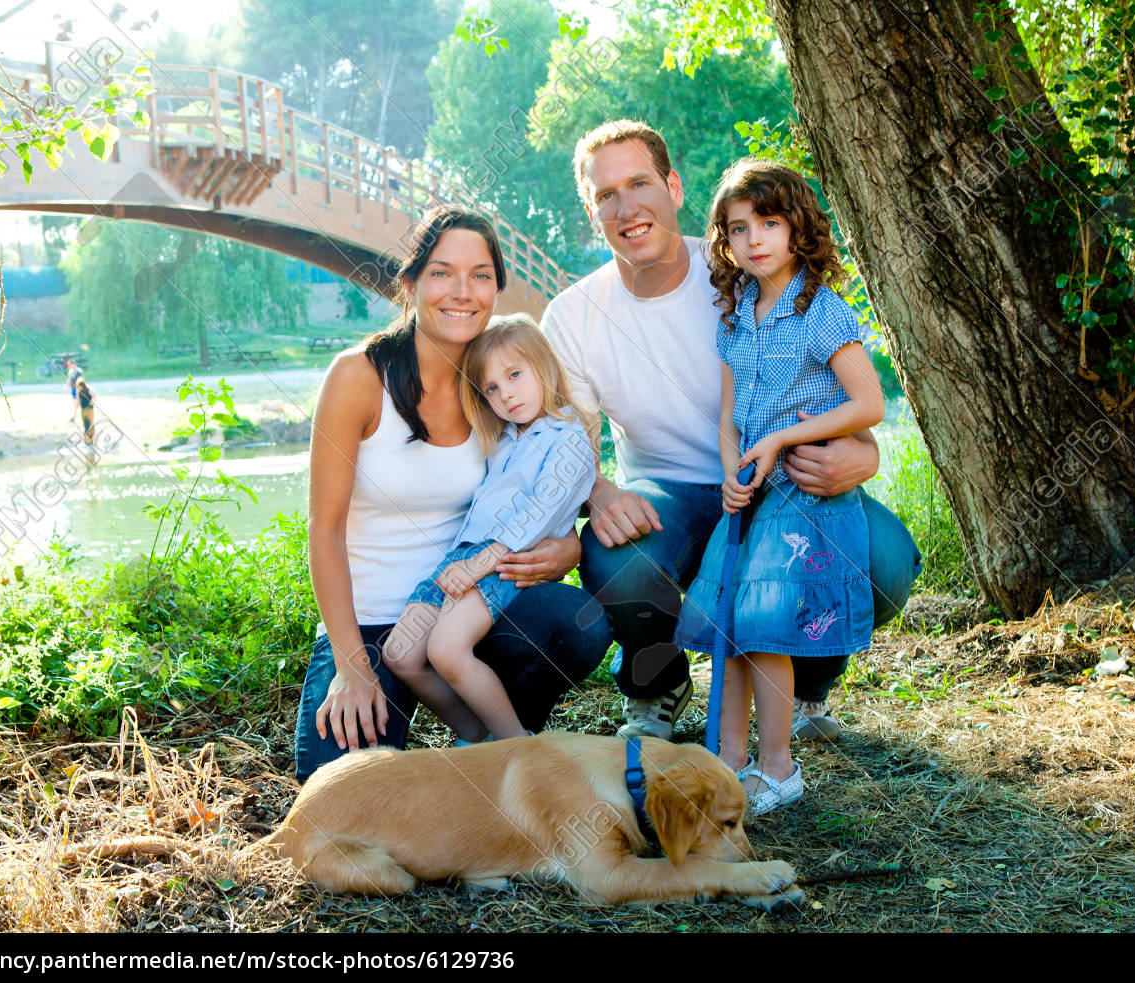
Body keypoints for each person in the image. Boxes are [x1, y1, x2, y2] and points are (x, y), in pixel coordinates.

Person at [540, 120, 921, 745]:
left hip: (781, 480)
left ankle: (808, 683)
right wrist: (600, 495)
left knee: (884, 562)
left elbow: (842, 392)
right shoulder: (573, 316)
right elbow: (568, 448)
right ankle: (656, 684)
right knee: (620, 561)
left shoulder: (744, 270)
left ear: (674, 186)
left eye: (639, 183)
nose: (626, 207)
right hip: (670, 494)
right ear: (591, 211)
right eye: (606, 194)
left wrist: (864, 453)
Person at [295, 206, 610, 781]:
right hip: (370, 623)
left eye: (481, 275)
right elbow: (324, 528)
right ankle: (465, 742)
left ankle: (506, 747)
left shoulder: (496, 384)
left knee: (578, 621)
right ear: (411, 284)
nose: (462, 292)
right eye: (442, 273)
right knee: (345, 795)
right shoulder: (357, 377)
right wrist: (351, 664)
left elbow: (551, 466)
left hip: (471, 602)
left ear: (496, 289)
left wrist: (573, 544)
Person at [673, 158, 885, 815]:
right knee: (727, 623)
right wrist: (734, 465)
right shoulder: (738, 310)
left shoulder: (820, 311)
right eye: (739, 228)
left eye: (770, 222)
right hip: (751, 490)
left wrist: (781, 441)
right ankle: (729, 761)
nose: (755, 238)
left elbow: (869, 401)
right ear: (725, 241)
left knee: (765, 626)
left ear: (798, 230)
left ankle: (779, 767)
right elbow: (730, 411)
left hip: (802, 492)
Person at [383, 315, 596, 742]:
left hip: (500, 561)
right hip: (459, 556)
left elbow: (535, 517)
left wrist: (478, 565)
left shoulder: (568, 438)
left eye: (515, 375)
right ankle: (478, 738)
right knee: (400, 653)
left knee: (446, 649)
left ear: (545, 368)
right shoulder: (503, 438)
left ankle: (515, 744)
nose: (506, 394)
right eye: (492, 388)